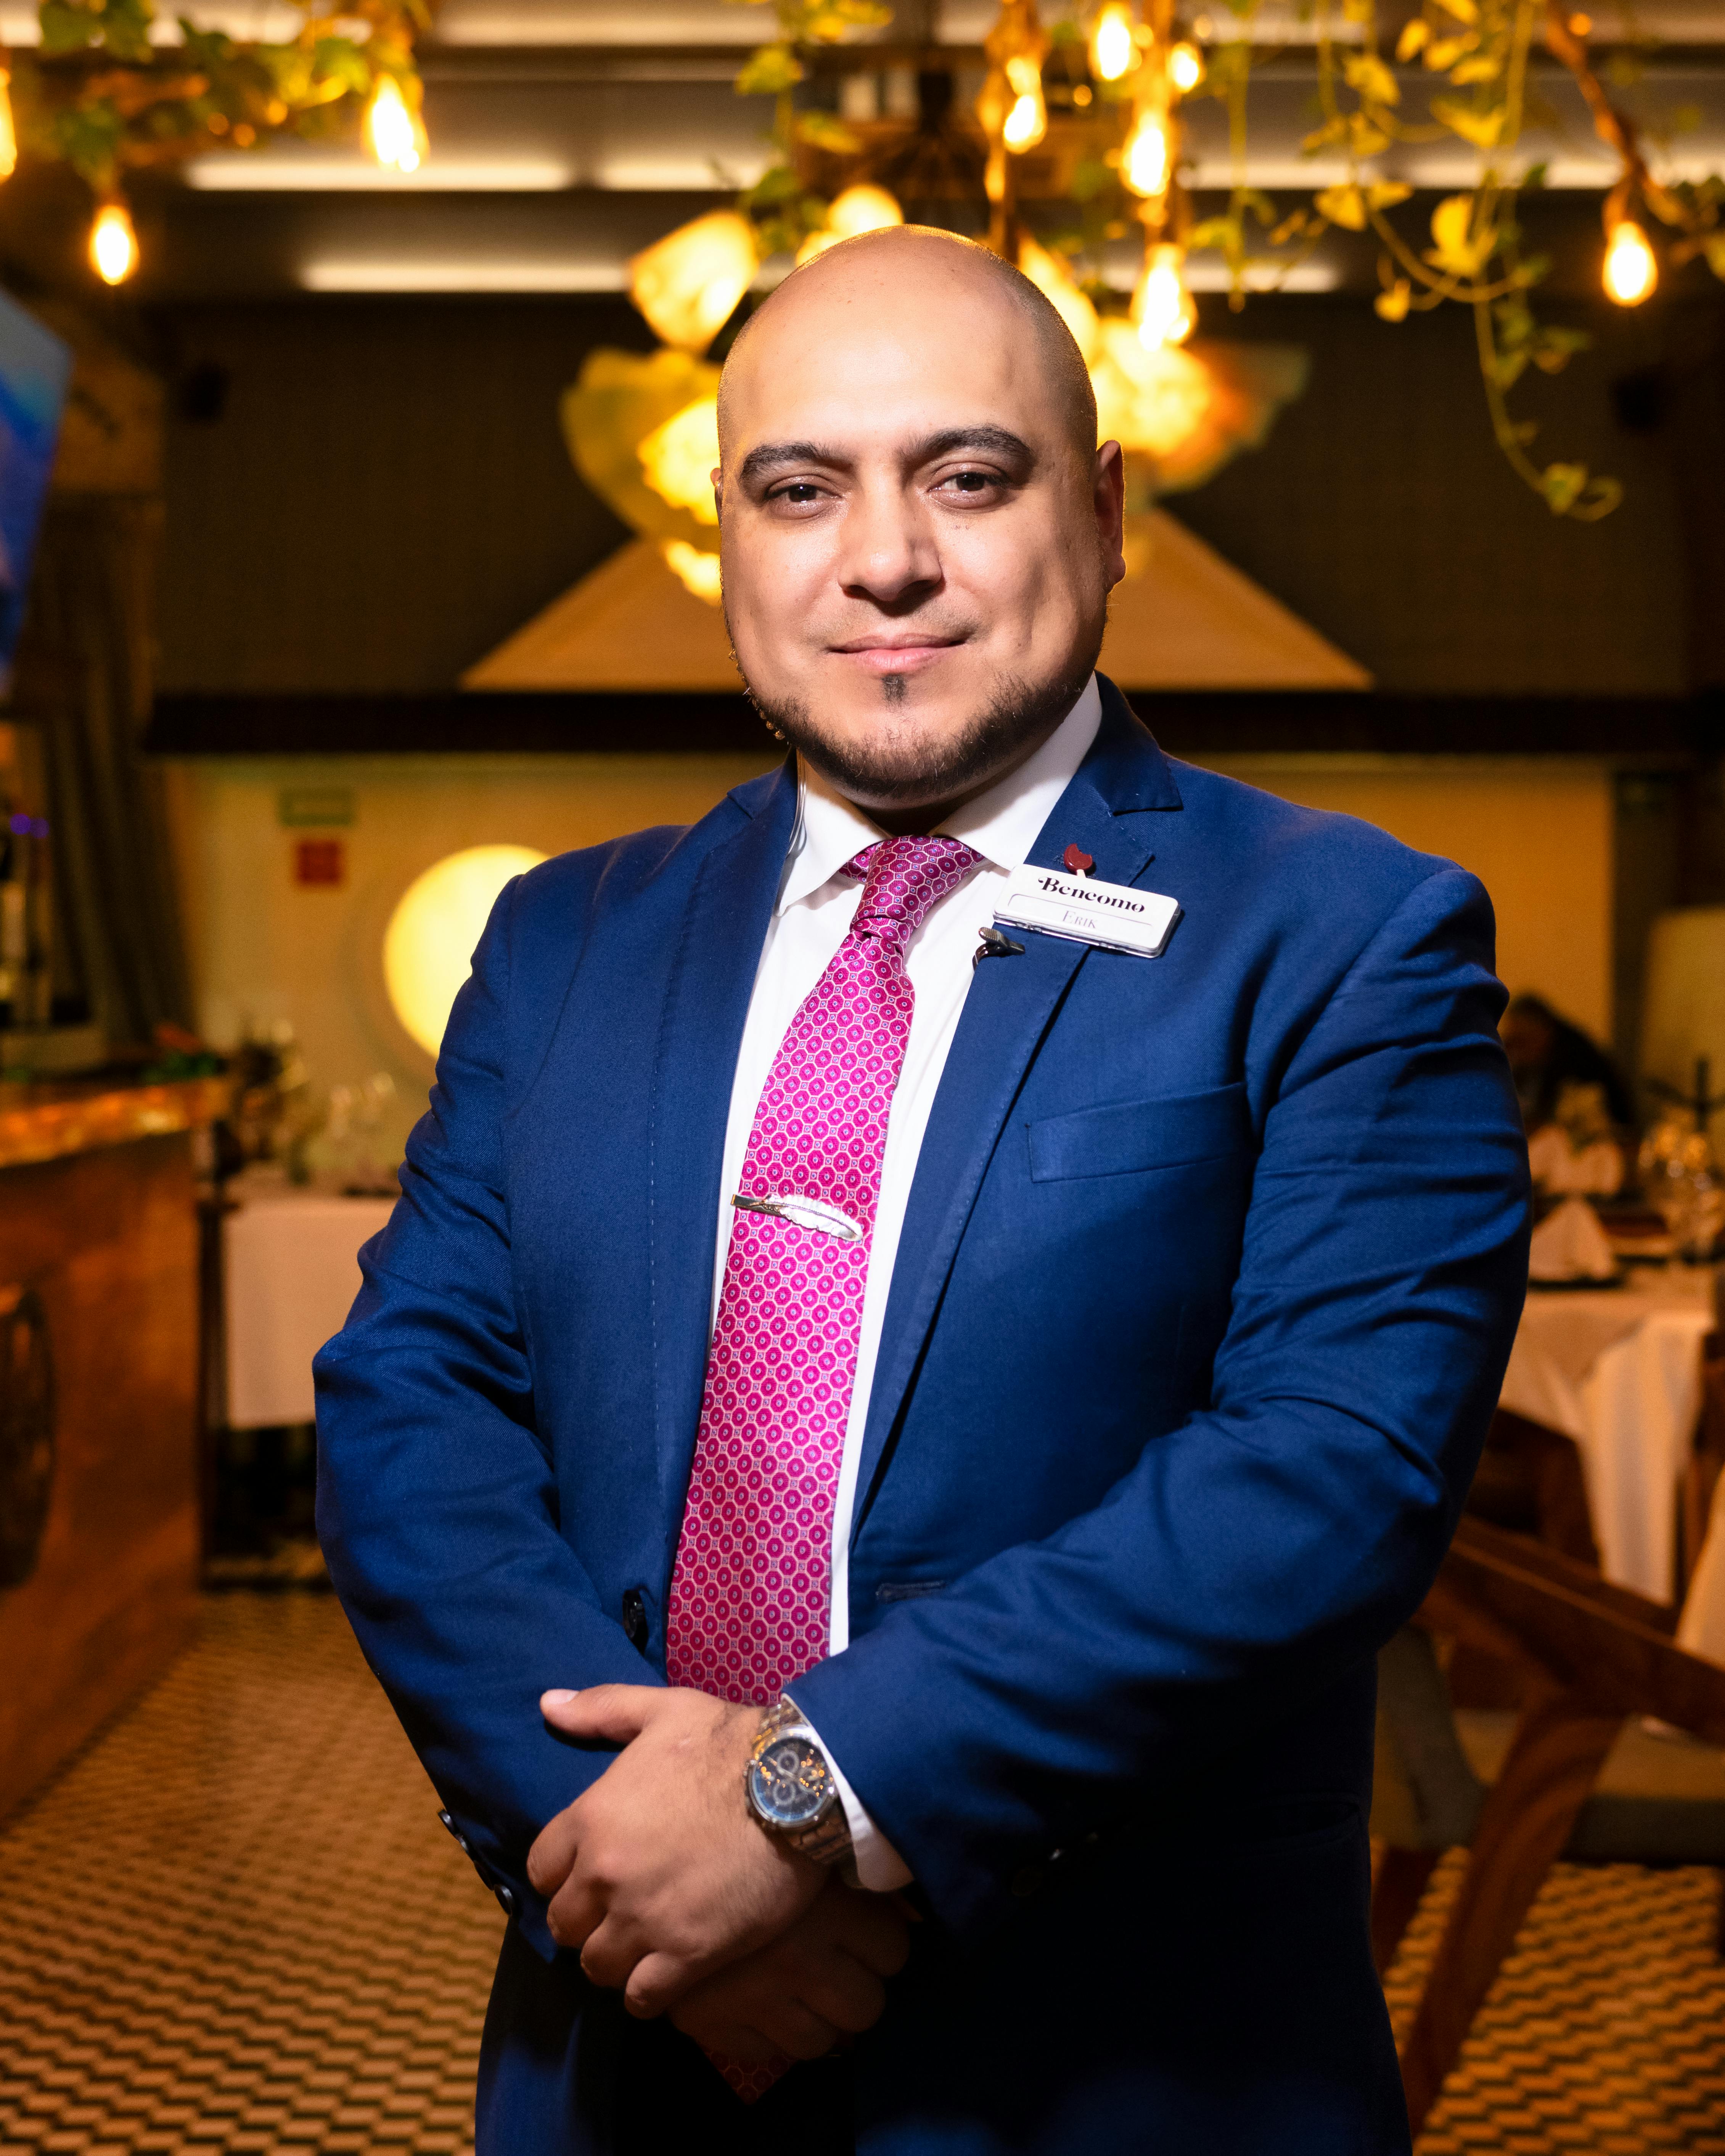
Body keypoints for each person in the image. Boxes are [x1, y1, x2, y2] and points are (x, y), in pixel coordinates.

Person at [315, 227, 1530, 2156]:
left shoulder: (1341, 933)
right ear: (728, 534)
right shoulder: (560, 941)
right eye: (801, 489)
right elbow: (413, 1407)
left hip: (1121, 2057)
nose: (884, 555)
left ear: (1106, 511)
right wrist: (638, 1859)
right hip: (626, 2032)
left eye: (967, 475)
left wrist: (798, 1796)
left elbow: (1327, 1463)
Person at [1500, 991, 1634, 1135]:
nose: (1515, 1050)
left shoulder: (1574, 1059)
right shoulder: (1537, 1059)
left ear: (1543, 1032)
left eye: (1521, 1041)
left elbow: (1547, 1124)